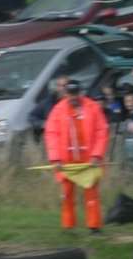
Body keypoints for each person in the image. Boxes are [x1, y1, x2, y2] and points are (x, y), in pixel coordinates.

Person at [43, 79, 109, 234]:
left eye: (75, 93)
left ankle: (94, 226)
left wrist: (97, 155)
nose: (73, 97)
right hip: (66, 161)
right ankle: (68, 226)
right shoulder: (58, 110)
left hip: (88, 160)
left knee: (91, 194)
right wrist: (56, 159)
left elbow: (102, 132)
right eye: (70, 94)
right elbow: (51, 134)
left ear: (80, 93)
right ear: (65, 94)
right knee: (66, 194)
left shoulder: (93, 107)